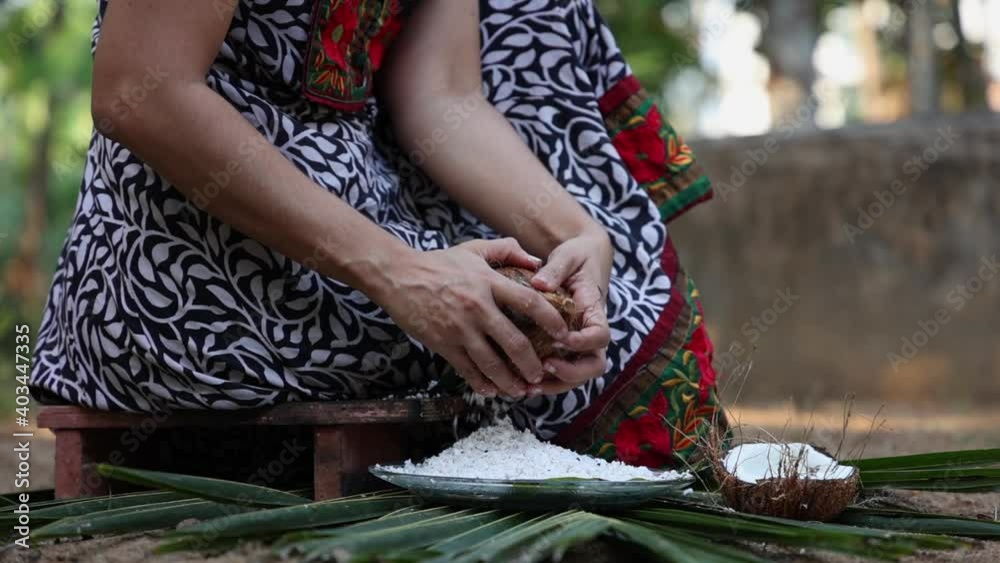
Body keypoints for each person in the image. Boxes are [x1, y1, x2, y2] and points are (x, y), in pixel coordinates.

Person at [30, 0, 726, 469]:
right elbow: (139, 93)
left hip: (370, 219)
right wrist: (402, 274)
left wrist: (577, 231)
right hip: (186, 265)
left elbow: (442, 98)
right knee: (509, 356)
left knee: (608, 334)